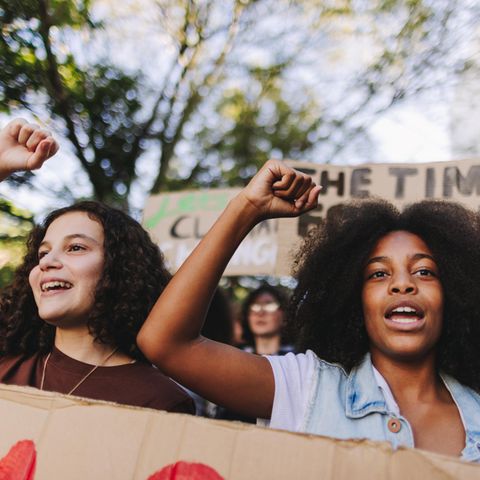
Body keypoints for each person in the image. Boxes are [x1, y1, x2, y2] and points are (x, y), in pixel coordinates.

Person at [137, 159, 480, 461]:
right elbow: (166, 343)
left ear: (455, 293)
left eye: (424, 271)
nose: (402, 285)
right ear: (352, 299)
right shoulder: (304, 389)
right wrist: (247, 208)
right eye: (378, 274)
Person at [0, 119, 194, 413]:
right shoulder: (7, 369)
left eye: (75, 248)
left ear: (120, 269)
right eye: (42, 253)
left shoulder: (160, 402)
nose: (49, 262)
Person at [240, 285, 293, 356]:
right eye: (255, 306)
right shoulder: (234, 357)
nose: (260, 313)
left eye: (269, 305)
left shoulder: (298, 360)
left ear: (284, 315)